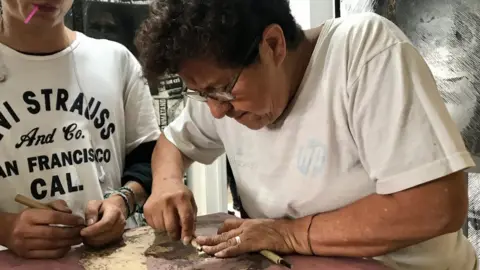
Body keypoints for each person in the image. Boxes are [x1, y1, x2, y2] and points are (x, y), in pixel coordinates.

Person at [136, 0, 478, 269]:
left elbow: (437, 205)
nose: (215, 110)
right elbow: (172, 142)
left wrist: (288, 234)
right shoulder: (221, 92)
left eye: (222, 90)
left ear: (273, 45)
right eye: (203, 94)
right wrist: (167, 183)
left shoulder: (363, 52)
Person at [0, 0, 160, 259]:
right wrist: (4, 228)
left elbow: (148, 157)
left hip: (110, 257)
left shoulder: (115, 61)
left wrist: (122, 201)